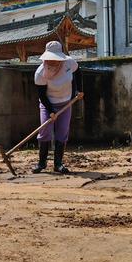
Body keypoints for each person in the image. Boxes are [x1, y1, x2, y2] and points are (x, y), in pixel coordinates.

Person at [33, 40, 82, 174]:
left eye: (55, 59)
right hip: (47, 103)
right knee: (45, 132)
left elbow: (78, 72)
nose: (52, 62)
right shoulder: (40, 73)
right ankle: (41, 163)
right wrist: (50, 111)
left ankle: (58, 164)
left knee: (62, 132)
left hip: (66, 103)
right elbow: (42, 96)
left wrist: (79, 90)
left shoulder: (69, 63)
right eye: (49, 59)